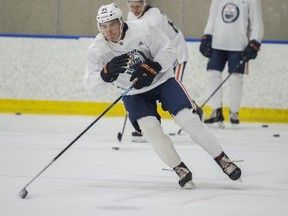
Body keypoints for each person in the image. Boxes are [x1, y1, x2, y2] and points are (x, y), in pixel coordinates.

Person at [84, 3, 242, 188]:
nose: (108, 31)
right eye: (103, 26)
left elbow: (168, 48)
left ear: (121, 22)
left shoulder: (143, 28)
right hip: (134, 93)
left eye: (112, 25)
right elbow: (91, 85)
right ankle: (179, 168)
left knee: (188, 120)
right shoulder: (97, 49)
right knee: (150, 130)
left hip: (162, 81)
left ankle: (222, 159)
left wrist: (153, 67)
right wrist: (104, 74)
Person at [127, 0, 190, 141]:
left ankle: (193, 115)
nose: (135, 10)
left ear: (144, 4)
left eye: (138, 6)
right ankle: (149, 128)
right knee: (148, 88)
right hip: (158, 58)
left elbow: (160, 46)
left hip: (175, 54)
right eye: (132, 6)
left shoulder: (153, 18)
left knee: (172, 89)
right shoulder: (131, 16)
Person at [200, 0, 264, 127]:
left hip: (239, 46)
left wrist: (255, 42)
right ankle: (216, 111)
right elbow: (212, 19)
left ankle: (234, 112)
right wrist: (207, 36)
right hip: (217, 44)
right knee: (213, 74)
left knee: (236, 78)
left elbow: (257, 24)